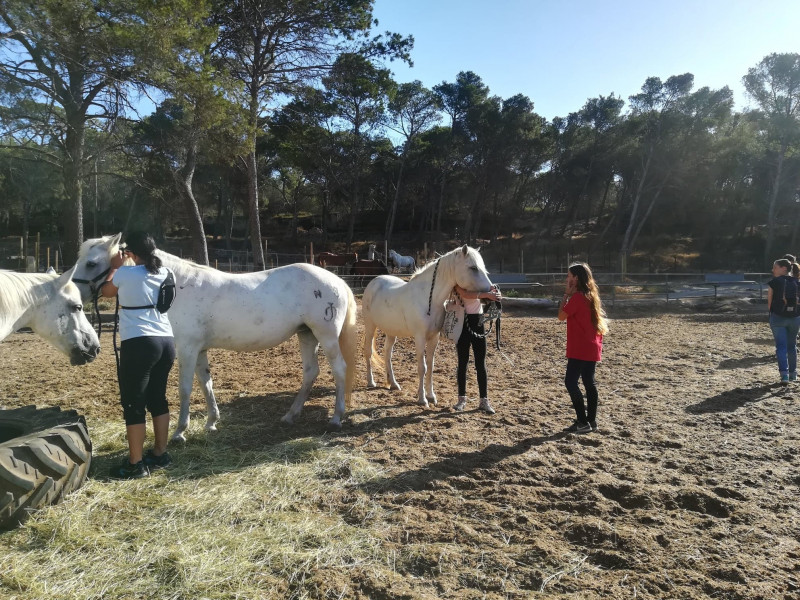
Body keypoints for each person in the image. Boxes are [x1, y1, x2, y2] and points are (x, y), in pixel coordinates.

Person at [101, 231, 176, 479]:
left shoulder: (125, 273)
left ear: (130, 253)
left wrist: (115, 267)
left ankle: (135, 464)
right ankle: (160, 454)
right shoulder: (166, 272)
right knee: (158, 399)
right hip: (166, 341)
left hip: (139, 343)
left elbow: (107, 293)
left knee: (134, 403)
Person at [557, 262, 608, 434]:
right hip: (592, 346)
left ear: (576, 278)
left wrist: (566, 294)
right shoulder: (591, 295)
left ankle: (582, 421)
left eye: (569, 276)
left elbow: (561, 316)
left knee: (570, 382)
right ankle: (591, 421)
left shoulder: (578, 297)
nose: (567, 279)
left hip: (580, 347)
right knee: (589, 383)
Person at [452, 283, 502, 414]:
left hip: (478, 320)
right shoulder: (458, 282)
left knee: (481, 363)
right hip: (462, 321)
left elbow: (491, 291)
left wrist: (496, 294)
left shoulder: (479, 280)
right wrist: (486, 294)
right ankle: (461, 399)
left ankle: (484, 400)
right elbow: (464, 294)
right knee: (462, 363)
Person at [766, 258, 800, 384]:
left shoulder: (774, 282)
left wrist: (773, 315)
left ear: (783, 269)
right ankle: (793, 374)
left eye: (775, 267)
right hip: (795, 318)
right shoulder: (798, 282)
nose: (773, 270)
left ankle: (784, 375)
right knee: (792, 346)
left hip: (778, 318)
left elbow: (769, 303)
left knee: (781, 347)